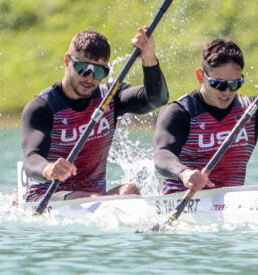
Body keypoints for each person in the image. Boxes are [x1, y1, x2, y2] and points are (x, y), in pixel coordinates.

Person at [22, 27, 168, 202]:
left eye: (99, 72)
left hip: (95, 199)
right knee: (83, 197)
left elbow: (157, 99)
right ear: (67, 60)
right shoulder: (42, 107)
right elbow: (31, 161)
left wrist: (149, 58)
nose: (90, 78)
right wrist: (49, 169)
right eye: (83, 68)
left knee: (130, 190)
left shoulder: (109, 98)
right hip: (46, 197)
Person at [153, 38, 258, 195]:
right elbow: (162, 154)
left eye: (235, 84)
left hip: (230, 201)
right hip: (184, 199)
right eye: (218, 84)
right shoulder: (180, 112)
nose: (227, 92)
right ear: (200, 76)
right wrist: (183, 173)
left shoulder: (250, 110)